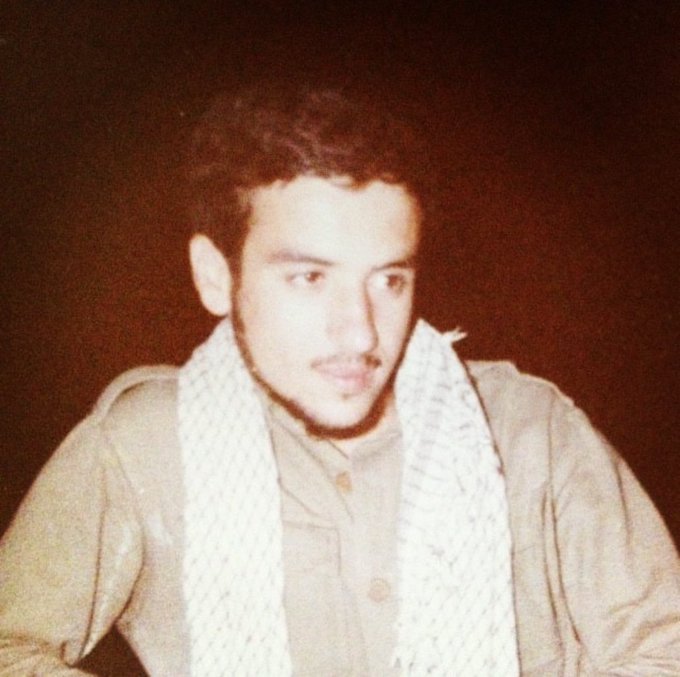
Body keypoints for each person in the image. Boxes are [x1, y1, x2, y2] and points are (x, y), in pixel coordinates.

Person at [0, 84, 679, 677]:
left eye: (389, 280)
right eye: (309, 277)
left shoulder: (530, 432)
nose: (360, 333)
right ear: (215, 276)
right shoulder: (143, 447)